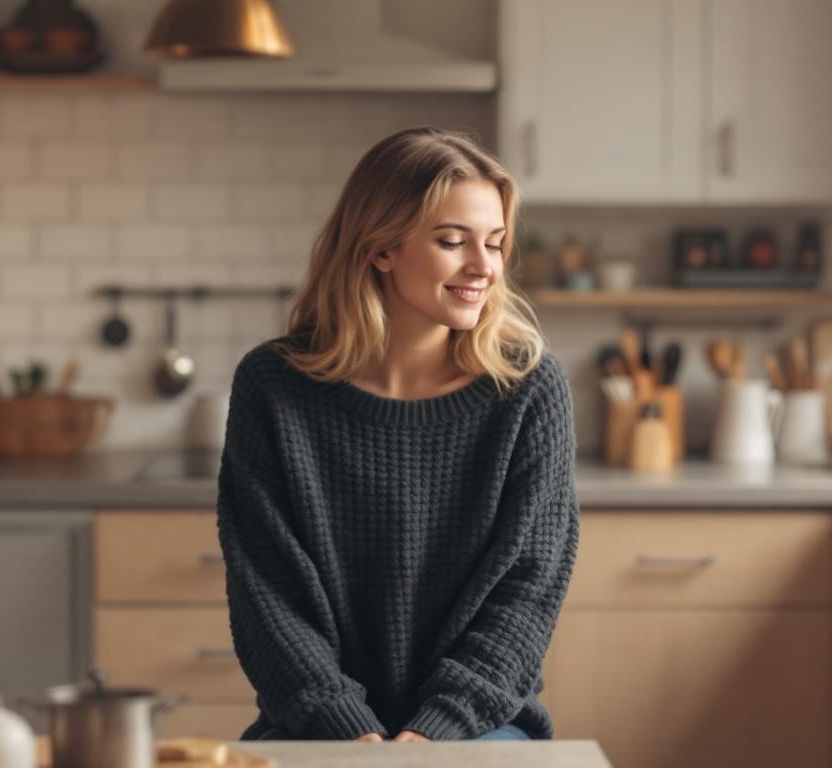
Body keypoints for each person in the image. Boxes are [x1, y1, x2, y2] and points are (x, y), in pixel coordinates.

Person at [215, 126, 579, 742]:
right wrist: (347, 728)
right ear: (381, 247)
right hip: (315, 726)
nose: (483, 267)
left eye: (494, 243)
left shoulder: (528, 390)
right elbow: (265, 592)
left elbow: (528, 591)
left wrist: (437, 729)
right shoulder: (273, 387)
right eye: (452, 241)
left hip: (478, 725)